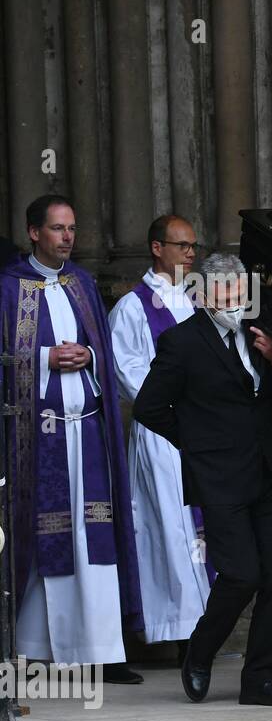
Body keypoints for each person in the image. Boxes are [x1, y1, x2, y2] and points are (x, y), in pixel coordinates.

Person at [132, 252, 272, 706]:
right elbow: (149, 407)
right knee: (242, 574)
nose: (235, 301)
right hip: (220, 478)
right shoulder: (181, 343)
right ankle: (200, 654)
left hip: (267, 473)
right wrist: (200, 445)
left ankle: (259, 679)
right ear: (203, 295)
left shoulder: (261, 333)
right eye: (225, 292)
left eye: (240, 292)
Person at [0, 195, 144, 681]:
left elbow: (104, 350)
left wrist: (87, 353)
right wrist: (45, 360)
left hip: (88, 433)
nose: (68, 237)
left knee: (95, 535)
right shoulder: (7, 289)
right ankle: (38, 648)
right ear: (34, 232)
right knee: (50, 536)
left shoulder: (82, 283)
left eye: (73, 229)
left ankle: (102, 648)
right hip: (39, 440)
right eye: (58, 229)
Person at [109, 215, 212, 649]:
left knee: (199, 533)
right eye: (181, 245)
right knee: (167, 528)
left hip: (202, 430)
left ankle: (203, 627)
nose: (190, 254)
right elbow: (126, 369)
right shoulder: (132, 307)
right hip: (161, 431)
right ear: (157, 248)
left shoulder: (198, 300)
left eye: (193, 246)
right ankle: (172, 629)